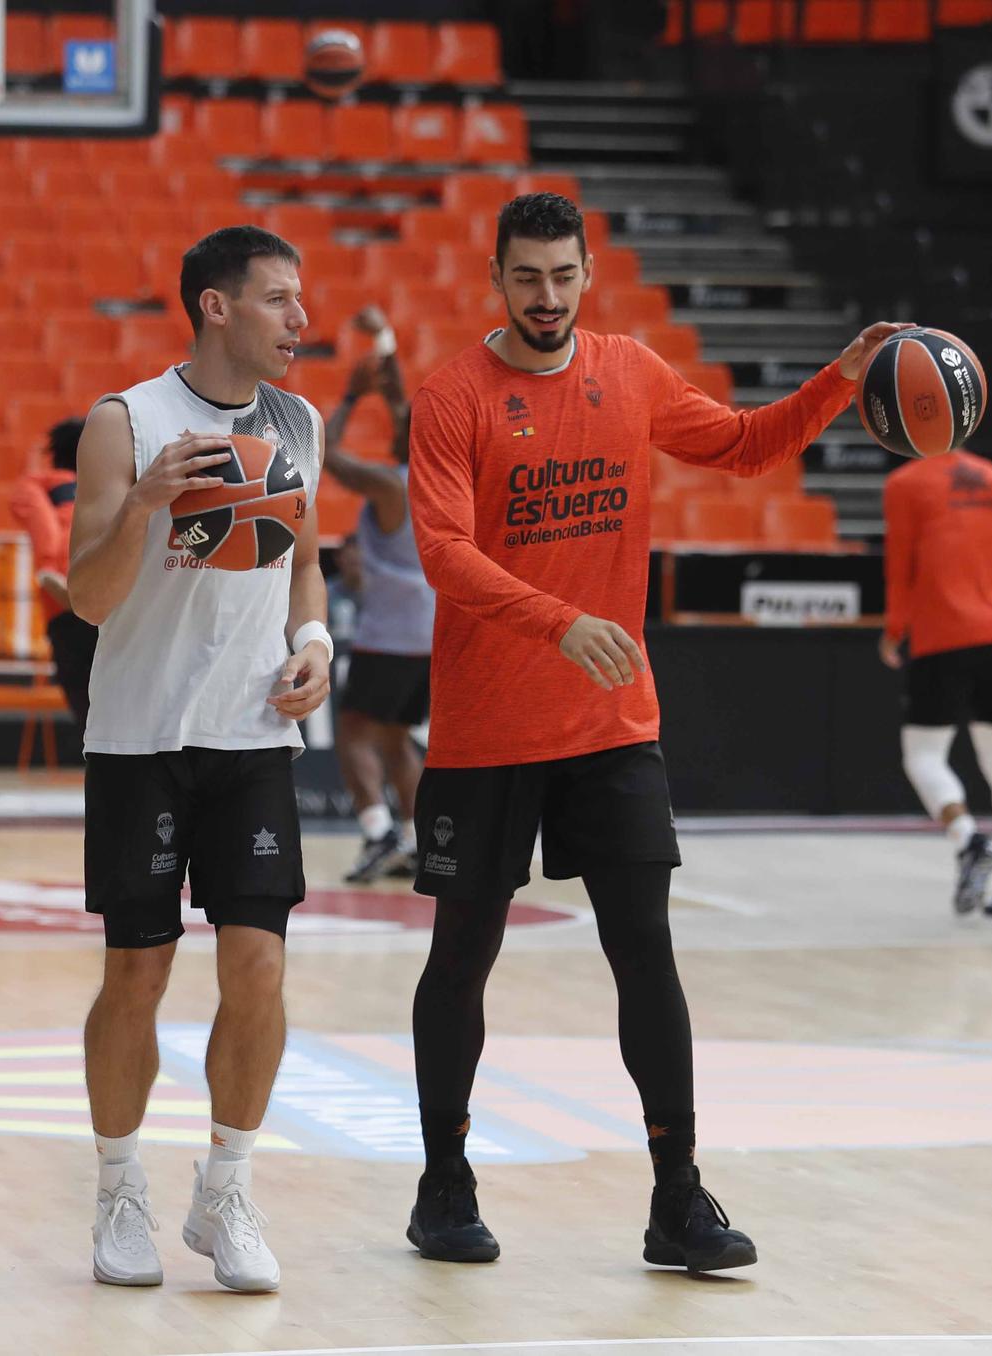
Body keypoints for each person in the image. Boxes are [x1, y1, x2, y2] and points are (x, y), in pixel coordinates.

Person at [402, 192, 912, 1272]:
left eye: (562, 276)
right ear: (495, 280)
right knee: (462, 957)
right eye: (525, 277)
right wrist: (560, 620)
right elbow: (443, 553)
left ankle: (676, 1197)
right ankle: (442, 1183)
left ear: (588, 275)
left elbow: (738, 448)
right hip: (487, 727)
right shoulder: (451, 398)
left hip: (609, 721)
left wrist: (838, 376)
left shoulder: (627, 371)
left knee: (645, 952)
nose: (545, 296)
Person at [68, 226, 329, 1293]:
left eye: (297, 301)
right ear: (215, 307)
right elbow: (86, 595)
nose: (297, 322)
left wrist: (312, 644)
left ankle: (224, 1193)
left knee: (257, 965)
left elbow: (305, 565)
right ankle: (116, 1187)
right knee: (137, 971)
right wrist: (142, 502)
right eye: (276, 301)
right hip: (141, 736)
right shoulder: (125, 420)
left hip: (253, 734)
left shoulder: (298, 421)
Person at [881, 448, 992, 917]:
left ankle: (969, 841)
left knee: (923, 757)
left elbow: (899, 566)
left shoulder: (905, 484)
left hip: (941, 634)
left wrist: (894, 630)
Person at [320, 308, 434, 883]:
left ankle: (376, 830)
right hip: (429, 633)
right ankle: (415, 841)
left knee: (354, 733)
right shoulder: (445, 483)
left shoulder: (392, 484)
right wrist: (386, 340)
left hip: (390, 630)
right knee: (395, 738)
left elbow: (327, 455)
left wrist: (348, 394)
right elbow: (404, 408)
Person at [8, 418, 96, 730]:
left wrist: (49, 569)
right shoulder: (109, 482)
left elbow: (41, 526)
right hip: (108, 593)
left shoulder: (38, 484)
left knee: (86, 710)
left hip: (63, 603)